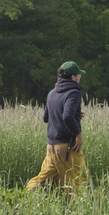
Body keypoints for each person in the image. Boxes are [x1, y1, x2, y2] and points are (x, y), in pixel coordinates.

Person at [27, 61, 87, 193]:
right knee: (77, 181)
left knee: (43, 180)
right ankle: (79, 211)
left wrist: (76, 114)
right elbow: (66, 116)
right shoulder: (74, 93)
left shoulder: (52, 93)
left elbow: (47, 118)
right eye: (78, 75)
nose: (80, 78)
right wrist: (78, 134)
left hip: (51, 147)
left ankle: (24, 198)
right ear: (73, 78)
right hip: (67, 146)